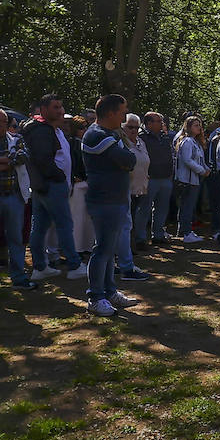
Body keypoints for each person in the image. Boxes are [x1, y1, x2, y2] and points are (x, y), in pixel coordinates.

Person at [80, 94, 142, 317]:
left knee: (108, 249)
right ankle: (95, 297)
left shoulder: (110, 134)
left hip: (113, 199)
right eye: (122, 112)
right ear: (110, 113)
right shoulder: (97, 135)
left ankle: (109, 291)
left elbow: (128, 159)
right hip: (104, 200)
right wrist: (126, 158)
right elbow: (128, 160)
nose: (125, 117)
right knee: (103, 249)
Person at [23, 94, 88, 283]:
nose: (60, 110)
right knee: (64, 225)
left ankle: (40, 267)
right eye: (55, 107)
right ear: (43, 110)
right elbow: (43, 160)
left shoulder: (53, 129)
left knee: (40, 226)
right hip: (51, 186)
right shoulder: (40, 130)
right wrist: (59, 177)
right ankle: (74, 265)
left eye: (61, 106)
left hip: (48, 186)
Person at [0, 108, 32, 291]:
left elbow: (24, 156)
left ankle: (19, 277)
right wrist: (2, 161)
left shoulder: (16, 139)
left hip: (14, 196)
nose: (2, 125)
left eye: (4, 122)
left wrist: (0, 161)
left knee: (16, 238)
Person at [117, 113, 150, 282]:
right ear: (122, 127)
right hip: (124, 190)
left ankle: (127, 256)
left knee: (130, 224)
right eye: (130, 127)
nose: (134, 130)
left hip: (139, 187)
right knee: (123, 227)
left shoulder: (140, 142)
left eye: (137, 127)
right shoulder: (120, 142)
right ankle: (123, 262)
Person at [138, 111, 174, 245]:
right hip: (150, 178)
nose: (161, 124)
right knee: (144, 208)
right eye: (158, 121)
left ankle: (158, 235)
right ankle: (141, 238)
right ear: (148, 123)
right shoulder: (142, 138)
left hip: (165, 177)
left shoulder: (165, 137)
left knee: (162, 208)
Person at [173, 115, 209, 243]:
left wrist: (206, 168)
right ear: (188, 127)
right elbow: (187, 160)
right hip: (186, 180)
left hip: (193, 179)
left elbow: (200, 159)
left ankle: (184, 231)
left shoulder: (196, 143)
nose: (199, 128)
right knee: (187, 206)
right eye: (195, 125)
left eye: (199, 125)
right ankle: (186, 232)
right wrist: (201, 170)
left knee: (188, 206)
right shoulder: (187, 141)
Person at [65, 115, 94, 255]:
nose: (85, 130)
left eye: (86, 127)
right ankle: (76, 248)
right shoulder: (72, 143)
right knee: (77, 218)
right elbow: (72, 163)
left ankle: (87, 246)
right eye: (82, 127)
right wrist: (75, 177)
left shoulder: (84, 143)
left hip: (87, 184)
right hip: (77, 186)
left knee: (87, 218)